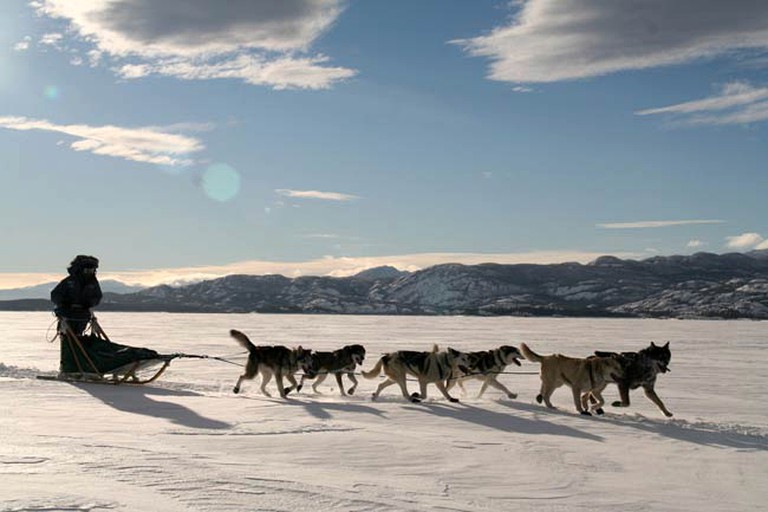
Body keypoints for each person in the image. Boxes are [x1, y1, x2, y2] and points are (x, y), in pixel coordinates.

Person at [51, 255, 159, 375]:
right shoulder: (69, 281)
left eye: (92, 270)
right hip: (67, 314)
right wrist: (64, 305)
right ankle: (68, 366)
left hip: (83, 315)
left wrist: (89, 303)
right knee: (68, 339)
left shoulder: (92, 282)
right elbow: (55, 295)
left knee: (79, 339)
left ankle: (81, 364)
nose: (90, 272)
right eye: (87, 269)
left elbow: (97, 296)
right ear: (80, 269)